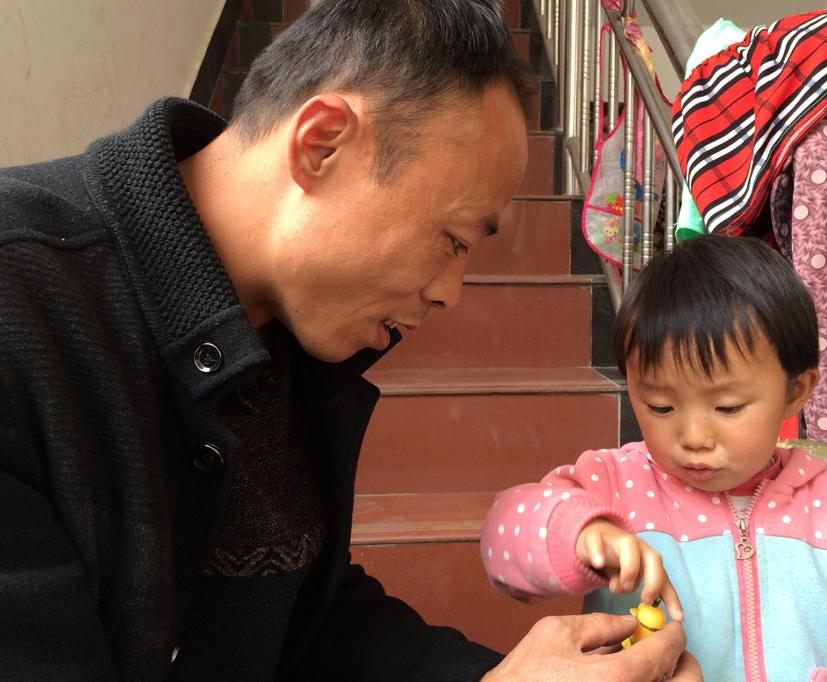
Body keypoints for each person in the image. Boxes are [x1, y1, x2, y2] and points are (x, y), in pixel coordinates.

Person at [0, 1, 701, 680]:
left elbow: (304, 617)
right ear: (322, 143)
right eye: (453, 239)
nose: (450, 292)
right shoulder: (21, 307)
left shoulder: (290, 333)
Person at [481, 235, 827, 679]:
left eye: (727, 407)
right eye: (660, 406)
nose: (694, 436)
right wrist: (579, 530)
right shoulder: (613, 487)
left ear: (795, 391)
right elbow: (504, 536)